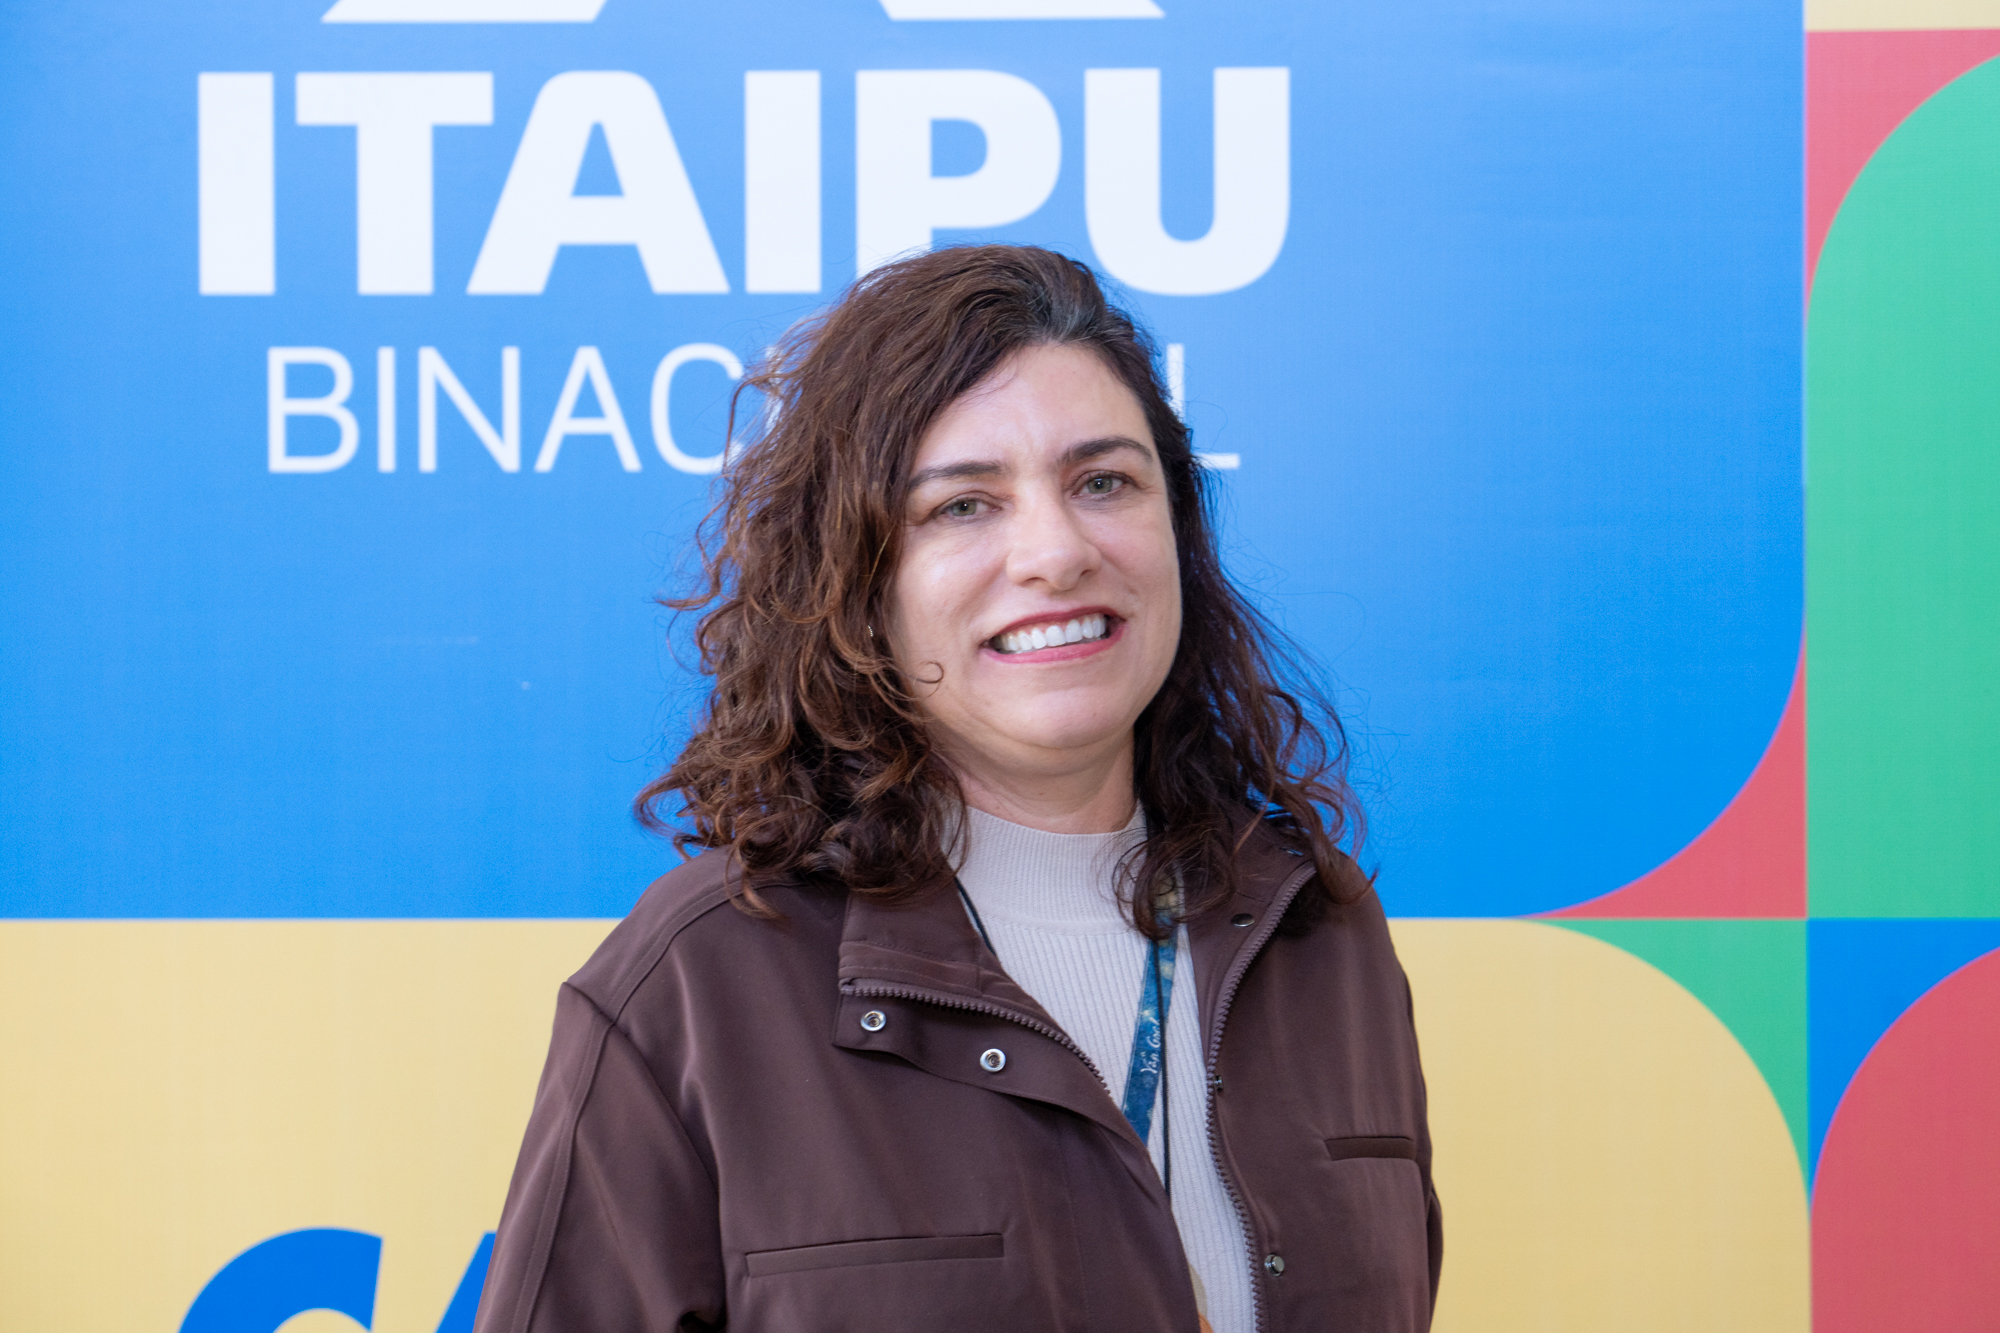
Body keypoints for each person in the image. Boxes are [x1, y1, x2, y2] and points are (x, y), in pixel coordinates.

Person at [473, 246, 1441, 1333]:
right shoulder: (696, 985)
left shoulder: (1317, 930)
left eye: (1102, 481)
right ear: (858, 585)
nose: (1054, 551)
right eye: (962, 506)